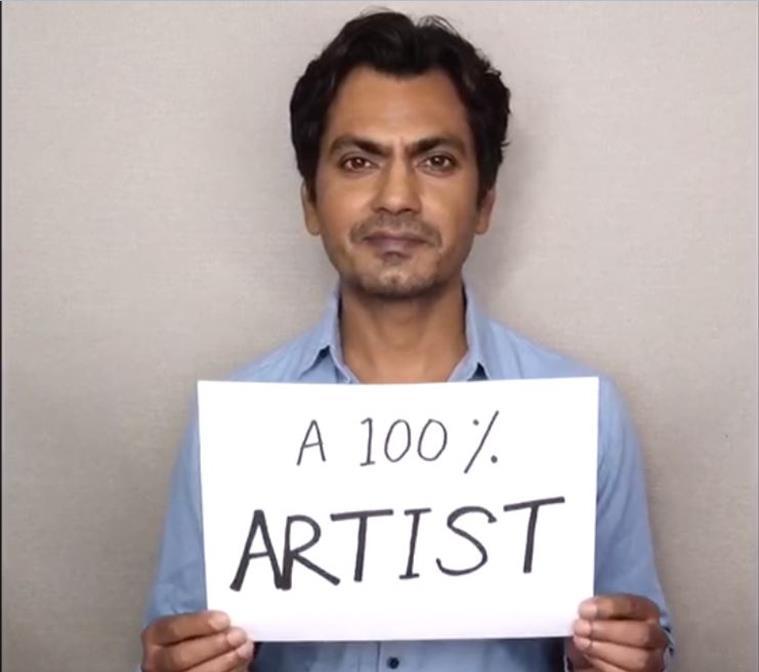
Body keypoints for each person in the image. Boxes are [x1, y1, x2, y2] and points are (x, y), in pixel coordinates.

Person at [140, 10, 674, 672]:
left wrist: (626, 658)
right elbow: (177, 637)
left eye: (437, 160)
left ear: (484, 203)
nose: (396, 197)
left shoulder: (587, 416)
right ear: (310, 202)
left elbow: (643, 640)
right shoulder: (232, 425)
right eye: (358, 160)